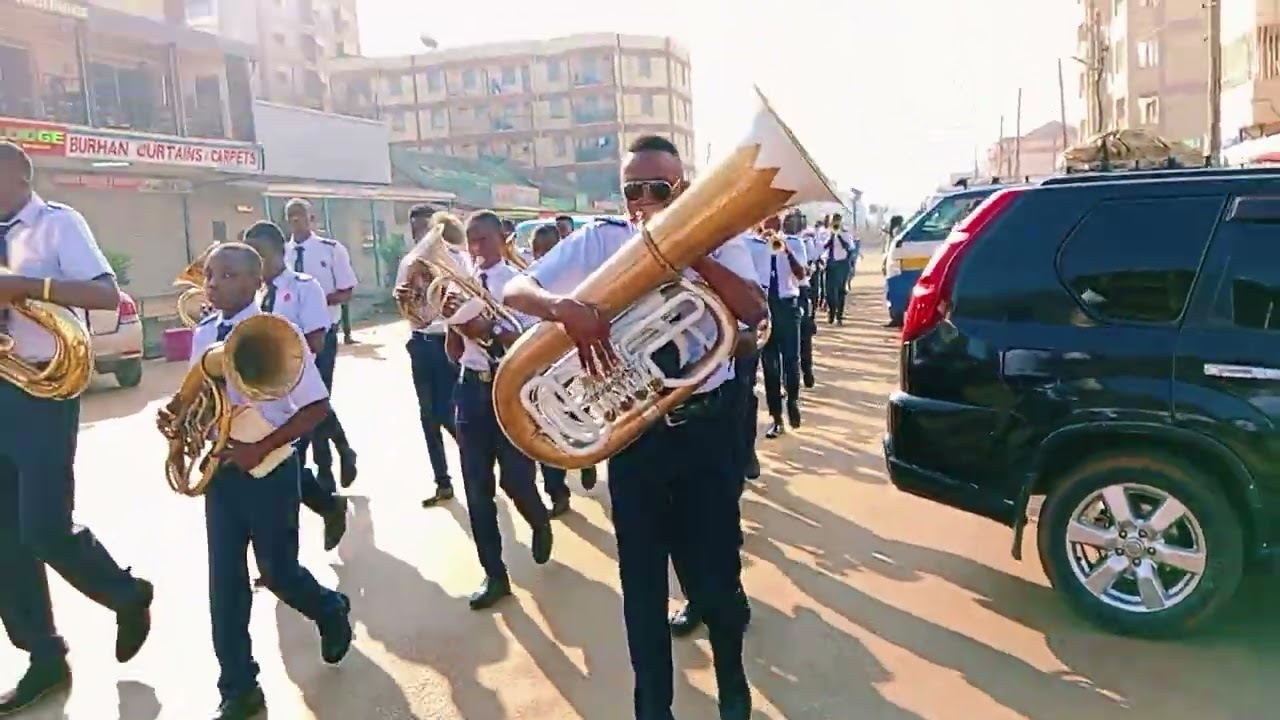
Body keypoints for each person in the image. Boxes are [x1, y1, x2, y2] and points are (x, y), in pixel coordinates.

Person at [503, 135, 765, 720]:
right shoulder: (601, 239)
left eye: (658, 189)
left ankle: (733, 687)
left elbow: (752, 311)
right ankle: (653, 708)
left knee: (717, 576)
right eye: (633, 189)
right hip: (633, 435)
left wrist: (688, 249)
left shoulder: (721, 232)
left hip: (706, 429)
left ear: (683, 189)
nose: (643, 200)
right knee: (641, 584)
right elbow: (514, 287)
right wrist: (561, 310)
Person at [158, 243, 353, 720]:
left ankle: (329, 608)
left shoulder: (276, 334)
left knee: (279, 572)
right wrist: (177, 414)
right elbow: (200, 394)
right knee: (225, 584)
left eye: (226, 275)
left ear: (254, 282)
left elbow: (316, 407)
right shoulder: (204, 332)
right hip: (223, 470)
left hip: (270, 468)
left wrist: (259, 448)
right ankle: (239, 688)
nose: (213, 284)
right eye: (209, 275)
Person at [0, 141, 154, 715]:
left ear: (18, 177)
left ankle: (127, 594)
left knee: (42, 527)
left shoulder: (58, 224)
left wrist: (24, 287)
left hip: (42, 389)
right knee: (3, 541)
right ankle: (43, 657)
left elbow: (105, 295)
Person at [445, 211, 553, 610]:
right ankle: (494, 575)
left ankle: (539, 519)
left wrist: (487, 330)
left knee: (516, 480)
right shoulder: (463, 284)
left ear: (502, 239)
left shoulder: (518, 284)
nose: (475, 248)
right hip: (470, 390)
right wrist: (454, 325)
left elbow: (530, 344)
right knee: (476, 489)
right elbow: (455, 352)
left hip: (509, 391)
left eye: (483, 239)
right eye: (470, 240)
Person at [242, 220, 348, 554]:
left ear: (280, 252)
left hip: (295, 397)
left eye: (260, 255)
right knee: (283, 470)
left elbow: (316, 341)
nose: (256, 264)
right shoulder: (251, 295)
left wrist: (279, 352)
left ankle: (282, 558)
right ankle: (328, 507)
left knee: (284, 472)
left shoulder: (305, 287)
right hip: (259, 400)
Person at [283, 198, 359, 490]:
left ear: (312, 218)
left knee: (316, 396)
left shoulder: (330, 249)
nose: (296, 222)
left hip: (322, 332)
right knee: (306, 398)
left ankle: (324, 468)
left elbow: (347, 290)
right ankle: (342, 449)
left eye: (301, 216)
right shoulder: (283, 253)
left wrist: (314, 301)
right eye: (291, 217)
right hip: (291, 337)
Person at [394, 205, 463, 508]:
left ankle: (478, 460)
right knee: (427, 415)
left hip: (447, 340)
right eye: (414, 230)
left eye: (425, 229)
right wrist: (401, 296)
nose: (419, 236)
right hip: (420, 341)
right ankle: (443, 482)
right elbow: (408, 303)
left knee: (449, 411)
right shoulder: (408, 263)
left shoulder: (456, 260)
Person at [527, 224, 598, 512]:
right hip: (542, 365)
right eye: (537, 251)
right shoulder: (530, 282)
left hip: (573, 362)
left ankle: (588, 457)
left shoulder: (577, 278)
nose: (542, 255)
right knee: (546, 424)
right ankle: (557, 493)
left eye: (549, 250)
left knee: (576, 413)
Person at [751, 214, 807, 439]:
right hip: (766, 308)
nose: (771, 225)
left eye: (775, 220)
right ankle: (776, 418)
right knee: (770, 366)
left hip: (787, 307)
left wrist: (786, 251)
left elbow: (802, 275)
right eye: (767, 220)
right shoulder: (753, 246)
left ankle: (792, 399)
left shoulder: (794, 242)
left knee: (792, 360)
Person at [792, 212, 818, 388]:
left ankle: (807, 371)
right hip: (779, 295)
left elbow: (809, 266)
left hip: (800, 291)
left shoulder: (805, 241)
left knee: (804, 334)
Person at [820, 213, 854, 324]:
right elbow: (822, 247)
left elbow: (850, 248)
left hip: (842, 264)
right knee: (829, 291)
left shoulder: (845, 232)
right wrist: (831, 237)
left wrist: (838, 236)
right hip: (829, 264)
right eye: (834, 220)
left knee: (840, 290)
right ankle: (831, 313)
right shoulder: (825, 233)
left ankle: (839, 316)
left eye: (837, 220)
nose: (835, 222)